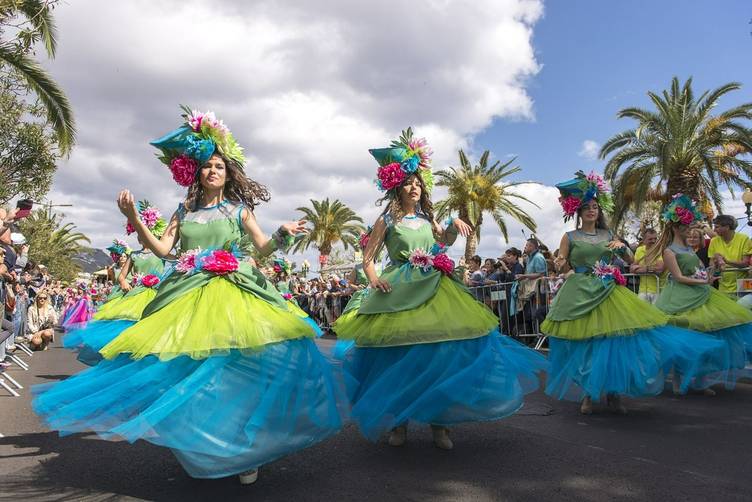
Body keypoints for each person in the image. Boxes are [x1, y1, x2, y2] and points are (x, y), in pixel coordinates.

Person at [33, 106, 345, 485]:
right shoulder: (184, 210)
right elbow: (165, 250)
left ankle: (246, 450)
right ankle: (206, 440)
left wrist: (282, 233)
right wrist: (133, 218)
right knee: (184, 367)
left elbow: (262, 247)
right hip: (187, 292)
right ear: (197, 173)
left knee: (239, 368)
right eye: (207, 166)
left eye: (219, 166)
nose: (213, 171)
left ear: (229, 173)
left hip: (235, 292)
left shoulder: (238, 210)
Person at [332, 129, 547, 449]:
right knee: (400, 357)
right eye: (409, 182)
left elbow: (442, 243)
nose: (415, 187)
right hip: (399, 289)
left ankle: (440, 422)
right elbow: (369, 258)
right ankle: (400, 422)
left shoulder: (428, 217)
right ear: (397, 186)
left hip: (434, 286)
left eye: (418, 182)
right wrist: (375, 279)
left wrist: (452, 227)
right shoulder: (386, 221)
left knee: (442, 354)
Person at [542, 171, 723, 415]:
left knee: (615, 343)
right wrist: (562, 263)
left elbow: (628, 260)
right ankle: (589, 393)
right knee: (587, 345)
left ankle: (614, 394)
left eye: (595, 206)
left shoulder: (608, 235)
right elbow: (562, 262)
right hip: (580, 293)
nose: (592, 210)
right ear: (578, 211)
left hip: (608, 291)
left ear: (599, 210)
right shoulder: (570, 236)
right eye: (587, 207)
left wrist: (623, 247)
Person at [651, 195, 752, 393]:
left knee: (704, 333)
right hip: (678, 298)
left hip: (699, 294)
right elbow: (678, 277)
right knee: (683, 337)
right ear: (674, 227)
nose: (688, 229)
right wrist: (703, 280)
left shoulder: (689, 249)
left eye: (688, 225)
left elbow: (702, 271)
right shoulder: (669, 251)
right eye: (684, 226)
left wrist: (714, 266)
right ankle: (679, 379)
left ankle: (699, 380)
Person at [63, 210, 167, 366]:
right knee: (127, 326)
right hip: (136, 294)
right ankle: (126, 359)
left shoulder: (161, 254)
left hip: (155, 295)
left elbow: (177, 260)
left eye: (145, 233)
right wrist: (124, 282)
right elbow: (121, 276)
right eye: (140, 234)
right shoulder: (135, 255)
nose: (142, 237)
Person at [708, 215, 751, 297]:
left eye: (717, 227)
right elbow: (711, 264)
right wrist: (716, 263)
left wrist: (726, 261)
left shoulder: (744, 238)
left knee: (744, 308)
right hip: (723, 285)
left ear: (727, 227)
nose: (714, 230)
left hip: (744, 283)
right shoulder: (713, 241)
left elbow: (746, 263)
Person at [631, 228, 665, 304]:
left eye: (655, 238)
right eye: (650, 239)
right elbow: (632, 269)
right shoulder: (639, 250)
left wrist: (641, 268)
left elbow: (659, 269)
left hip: (657, 290)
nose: (653, 241)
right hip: (642, 290)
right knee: (641, 313)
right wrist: (650, 269)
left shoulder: (660, 249)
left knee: (656, 314)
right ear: (644, 240)